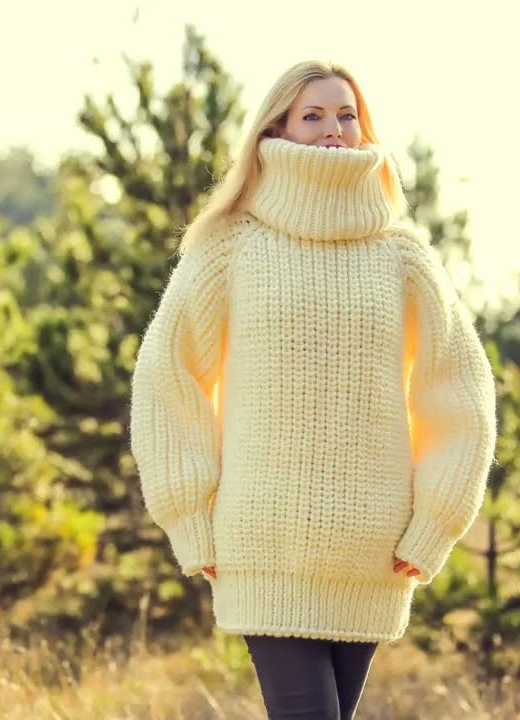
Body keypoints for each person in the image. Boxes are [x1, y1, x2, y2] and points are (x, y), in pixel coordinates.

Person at [129, 59, 497, 719]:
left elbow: (460, 390)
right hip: (263, 543)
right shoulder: (229, 246)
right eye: (314, 115)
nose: (334, 128)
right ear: (280, 128)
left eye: (346, 114)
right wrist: (191, 518)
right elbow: (167, 376)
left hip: (373, 555)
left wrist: (435, 524)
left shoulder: (402, 254)